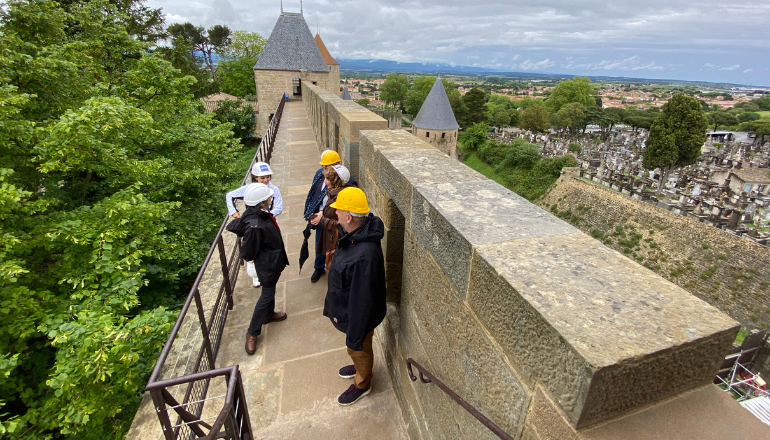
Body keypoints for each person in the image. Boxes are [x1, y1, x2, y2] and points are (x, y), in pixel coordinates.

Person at [323, 187, 386, 406]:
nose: (335, 214)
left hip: (358, 317)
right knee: (356, 347)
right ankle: (358, 363)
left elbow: (363, 301)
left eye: (338, 211)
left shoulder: (364, 256)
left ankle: (363, 382)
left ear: (349, 217)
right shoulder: (357, 233)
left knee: (358, 347)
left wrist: (355, 336)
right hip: (349, 310)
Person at [226, 183, 289, 355]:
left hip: (272, 260)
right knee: (266, 294)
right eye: (269, 197)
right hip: (266, 263)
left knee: (271, 288)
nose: (271, 198)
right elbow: (248, 249)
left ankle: (269, 314)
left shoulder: (257, 214)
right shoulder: (255, 223)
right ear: (262, 202)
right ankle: (252, 331)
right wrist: (252, 259)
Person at [226, 162, 283, 287]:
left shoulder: (274, 189)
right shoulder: (248, 189)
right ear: (255, 177)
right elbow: (229, 195)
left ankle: (268, 268)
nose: (266, 180)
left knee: (268, 246)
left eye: (268, 177)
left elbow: (278, 207)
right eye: (262, 178)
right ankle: (255, 275)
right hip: (253, 223)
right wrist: (233, 211)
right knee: (252, 246)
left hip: (268, 222)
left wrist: (268, 215)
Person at [303, 150, 356, 283]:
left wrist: (322, 216)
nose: (323, 168)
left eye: (326, 165)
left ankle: (334, 272)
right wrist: (315, 212)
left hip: (331, 223)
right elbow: (315, 194)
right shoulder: (320, 174)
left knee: (334, 248)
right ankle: (319, 267)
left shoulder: (347, 183)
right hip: (322, 216)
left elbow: (341, 216)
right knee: (319, 244)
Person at [309, 165, 354, 266]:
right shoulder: (332, 192)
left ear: (337, 181)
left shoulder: (342, 198)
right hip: (330, 236)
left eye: (328, 179)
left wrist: (322, 219)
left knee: (336, 267)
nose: (325, 181)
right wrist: (321, 213)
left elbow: (343, 224)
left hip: (336, 240)